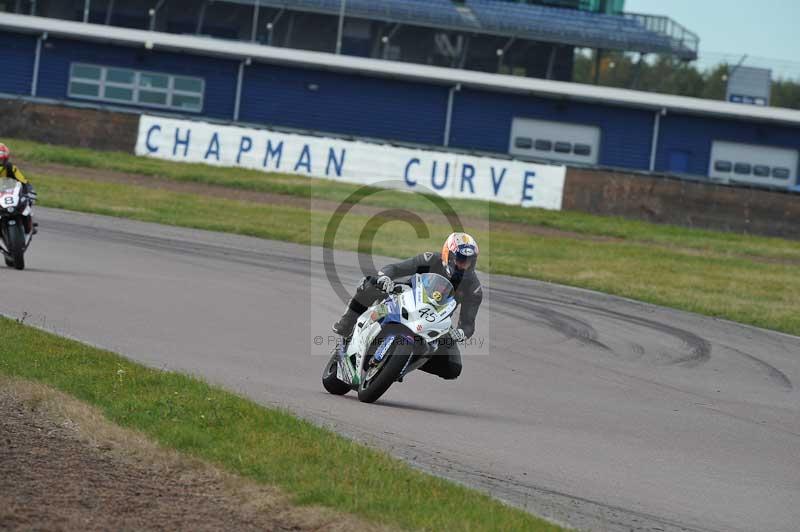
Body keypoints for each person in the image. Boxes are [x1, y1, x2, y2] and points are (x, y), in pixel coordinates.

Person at [332, 232, 482, 380]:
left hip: (433, 321)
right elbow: (396, 268)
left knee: (453, 368)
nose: (463, 266)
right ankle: (347, 324)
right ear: (447, 255)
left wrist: (460, 333)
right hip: (406, 298)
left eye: (469, 262)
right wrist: (384, 278)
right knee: (371, 283)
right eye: (460, 260)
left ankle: (406, 360)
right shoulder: (430, 259)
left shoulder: (473, 288)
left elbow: (468, 324)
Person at [0, 143, 36, 233]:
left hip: (9, 193)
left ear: (5, 160)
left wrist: (30, 191)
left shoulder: (11, 168)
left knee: (27, 200)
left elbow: (24, 181)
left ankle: (29, 222)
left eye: (0, 161)